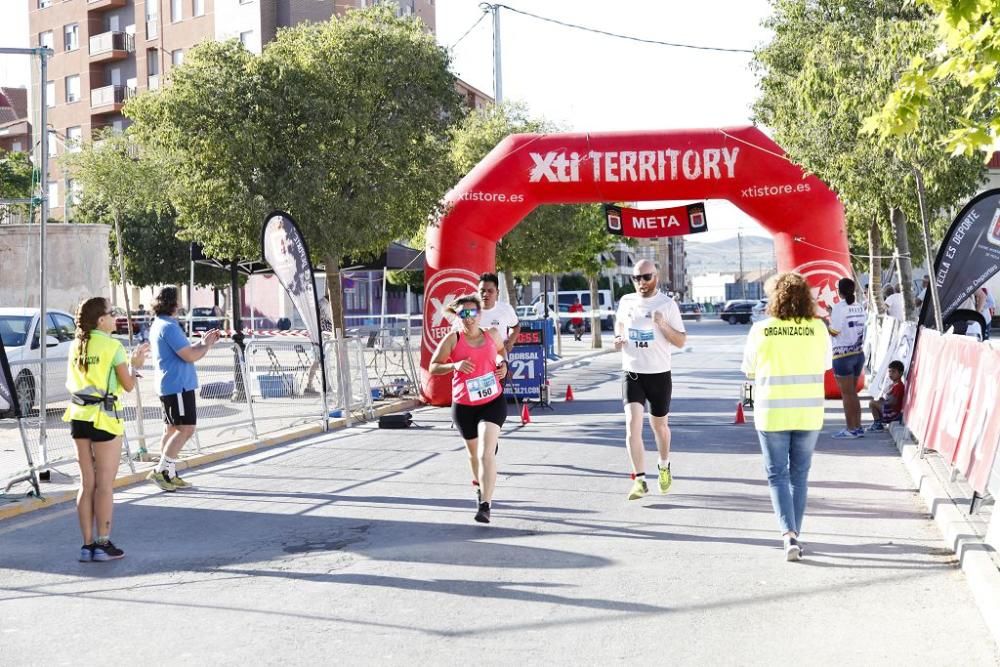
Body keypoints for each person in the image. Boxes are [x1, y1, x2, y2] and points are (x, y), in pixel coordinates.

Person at [743, 273, 831, 561]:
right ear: (806, 297)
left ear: (774, 298)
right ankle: (796, 535)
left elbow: (749, 371)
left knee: (777, 475)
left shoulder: (761, 330)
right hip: (808, 413)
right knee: (799, 476)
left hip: (772, 413)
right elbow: (825, 366)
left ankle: (788, 535)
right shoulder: (818, 329)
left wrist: (748, 402)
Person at [63, 297, 149, 561]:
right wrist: (135, 365)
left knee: (86, 483)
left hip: (79, 415)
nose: (116, 317)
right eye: (112, 313)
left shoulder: (76, 344)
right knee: (105, 484)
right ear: (101, 320)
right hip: (105, 418)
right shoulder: (113, 346)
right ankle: (103, 543)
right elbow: (128, 385)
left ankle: (86, 545)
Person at [429, 293, 507, 523]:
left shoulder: (492, 334)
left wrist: (503, 365)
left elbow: (501, 353)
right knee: (474, 455)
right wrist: (455, 365)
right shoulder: (453, 340)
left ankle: (485, 504)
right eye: (464, 314)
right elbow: (434, 366)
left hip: (492, 401)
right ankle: (480, 485)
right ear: (458, 315)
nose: (469, 318)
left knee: (485, 453)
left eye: (472, 313)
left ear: (479, 314)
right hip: (464, 405)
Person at [614, 259, 687, 500]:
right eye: (636, 278)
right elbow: (621, 325)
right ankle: (640, 480)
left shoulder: (667, 305)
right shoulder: (626, 301)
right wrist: (618, 338)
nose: (641, 283)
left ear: (656, 276)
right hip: (632, 372)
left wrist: (662, 323)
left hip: (658, 374)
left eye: (646, 277)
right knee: (632, 423)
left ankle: (664, 465)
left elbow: (680, 341)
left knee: (659, 427)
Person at [147, 286, 221, 492]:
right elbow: (189, 356)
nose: (181, 303)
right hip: (178, 384)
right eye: (179, 298)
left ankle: (169, 474)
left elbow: (185, 350)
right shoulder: (169, 327)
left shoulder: (160, 324)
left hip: (169, 383)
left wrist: (203, 343)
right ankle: (161, 471)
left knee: (171, 430)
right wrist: (206, 346)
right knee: (186, 428)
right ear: (174, 303)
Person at [828, 277, 867, 439]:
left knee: (847, 394)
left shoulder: (839, 307)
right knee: (853, 394)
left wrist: (826, 322)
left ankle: (850, 429)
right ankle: (857, 427)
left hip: (842, 355)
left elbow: (834, 331)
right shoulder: (859, 307)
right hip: (858, 354)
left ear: (840, 291)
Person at [471, 273, 521, 357]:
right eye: (482, 291)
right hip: (475, 359)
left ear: (497, 292)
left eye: (490, 291)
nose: (485, 294)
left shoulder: (506, 309)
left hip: (499, 360)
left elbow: (516, 327)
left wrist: (510, 342)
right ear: (477, 291)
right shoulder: (470, 311)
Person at [304, 294, 334, 395]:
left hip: (320, 337)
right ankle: (323, 386)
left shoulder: (322, 303)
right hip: (322, 337)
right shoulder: (324, 305)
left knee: (319, 362)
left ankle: (314, 385)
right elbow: (329, 321)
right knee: (320, 361)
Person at [867, 360, 905, 432]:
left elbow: (894, 402)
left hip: (893, 414)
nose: (891, 374)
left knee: (872, 403)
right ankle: (877, 423)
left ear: (900, 373)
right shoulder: (893, 385)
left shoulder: (899, 386)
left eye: (893, 372)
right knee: (874, 402)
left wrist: (883, 402)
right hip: (890, 411)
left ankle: (878, 424)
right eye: (889, 371)